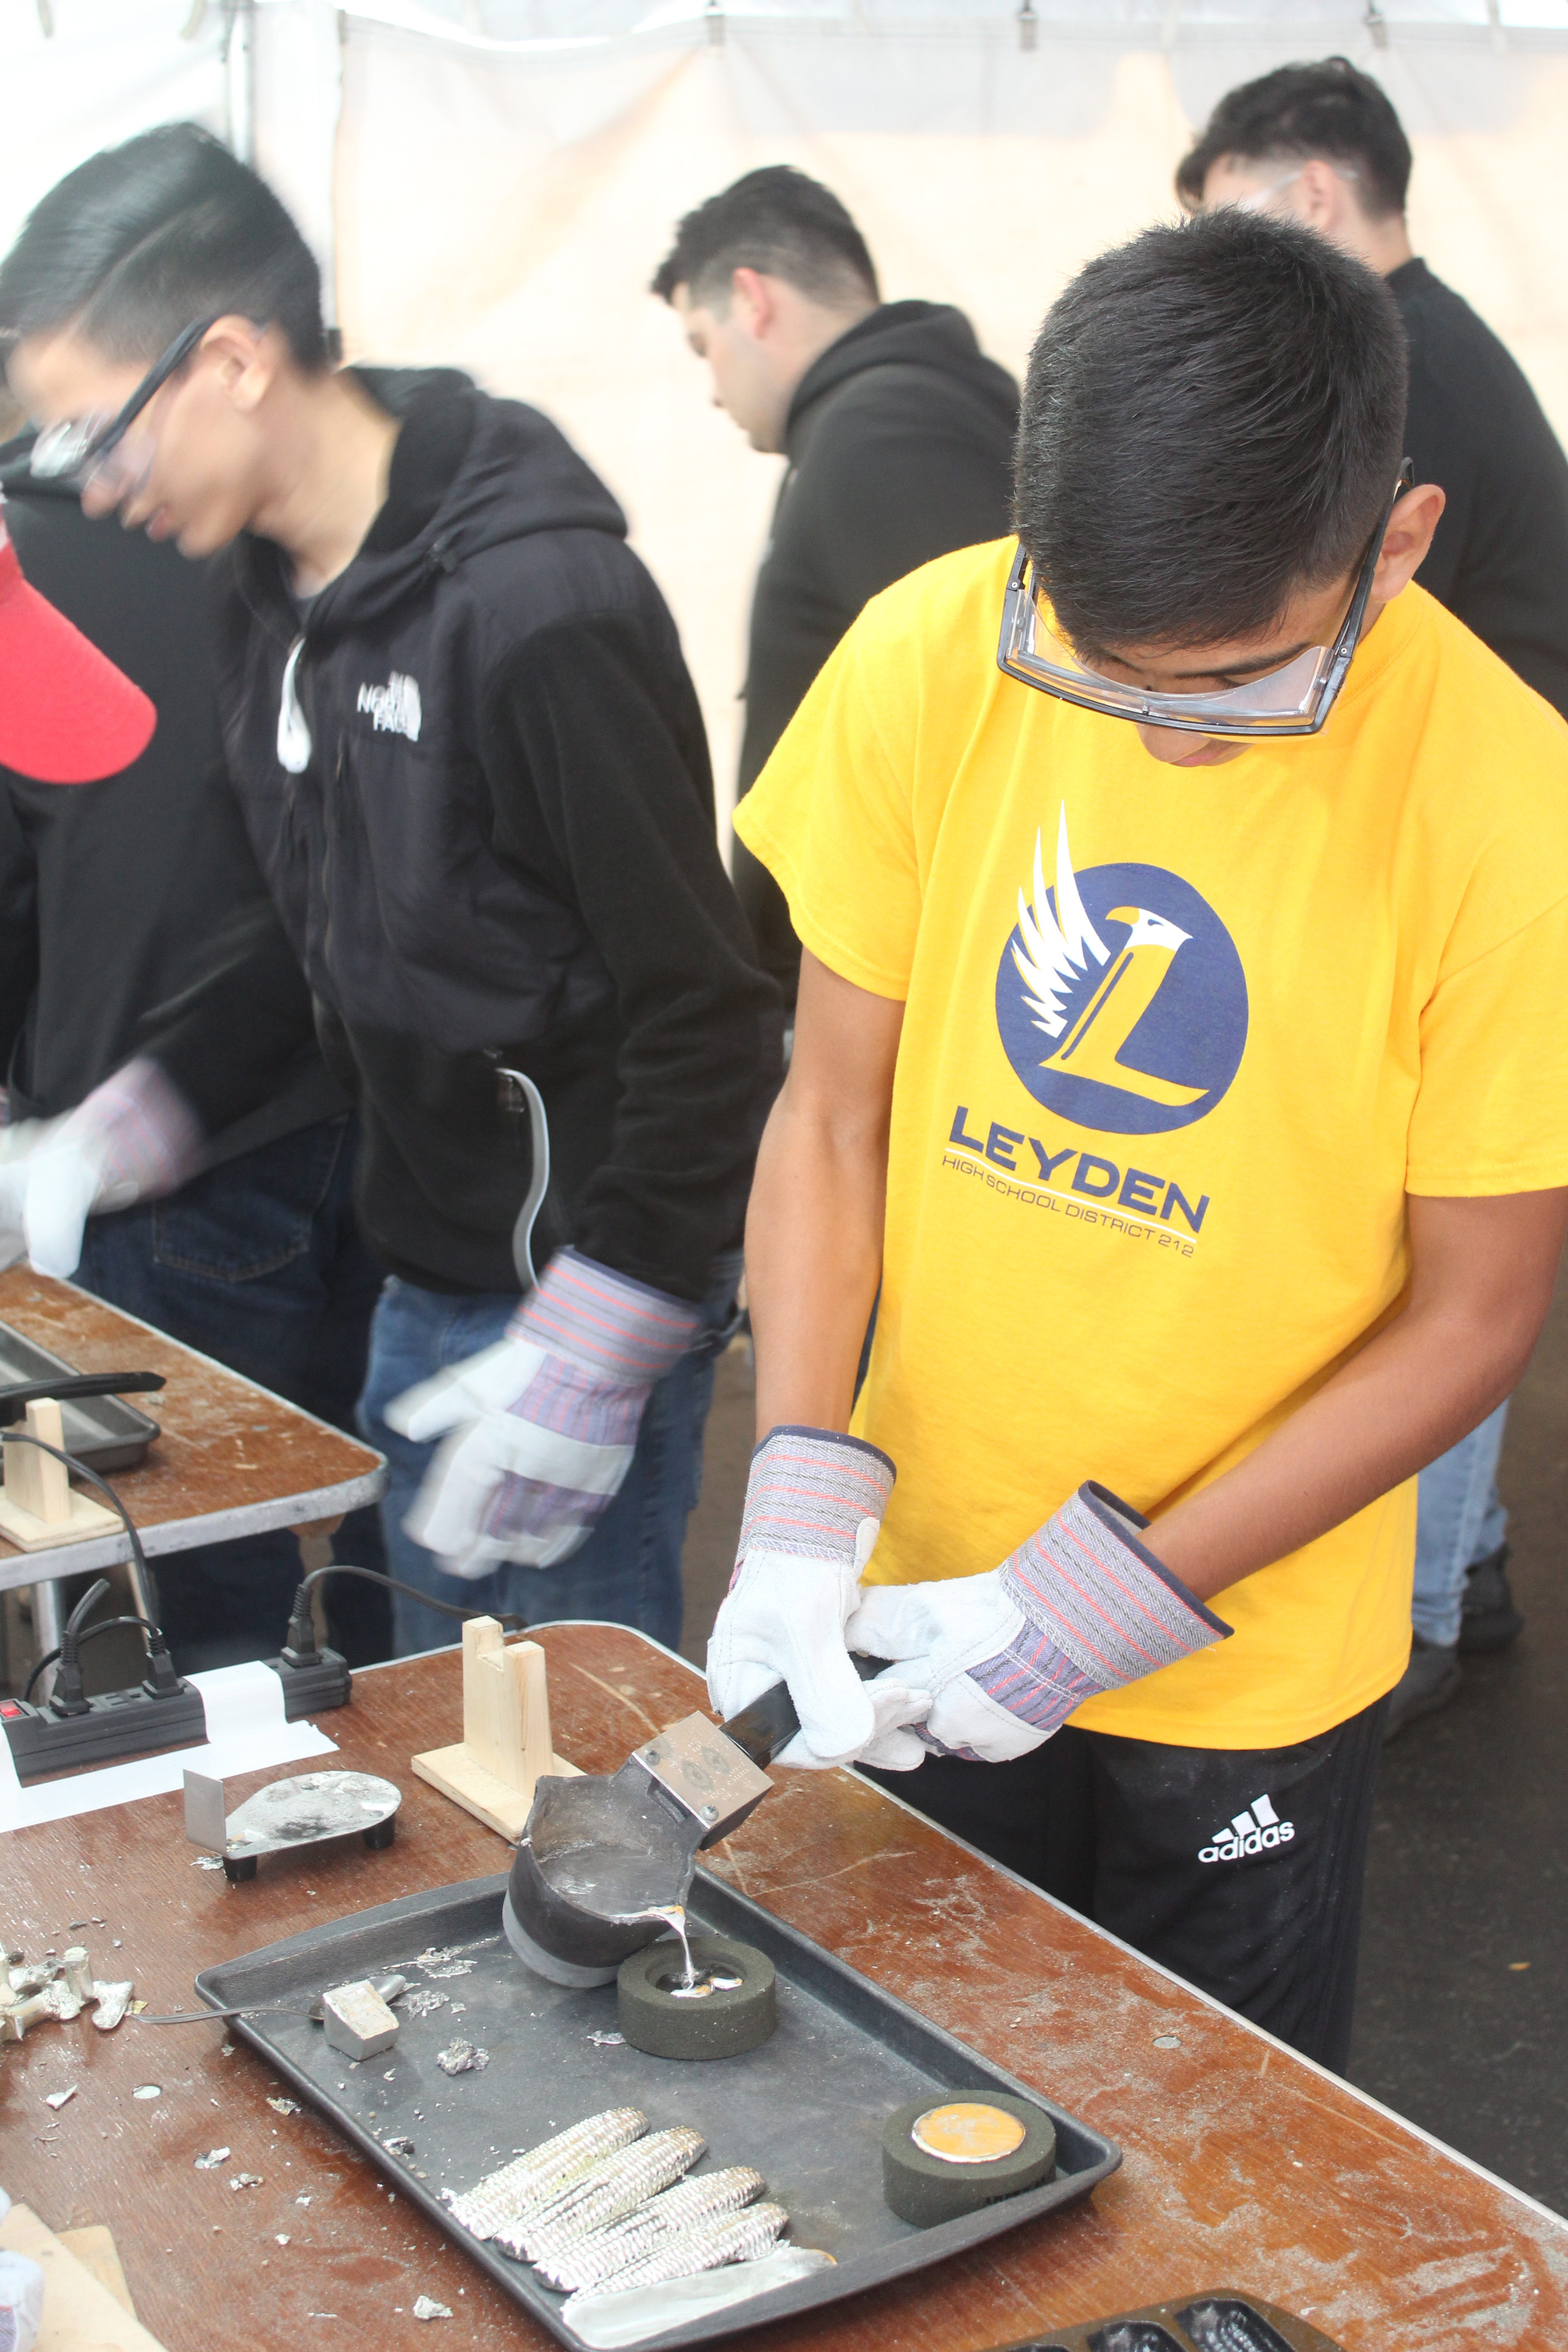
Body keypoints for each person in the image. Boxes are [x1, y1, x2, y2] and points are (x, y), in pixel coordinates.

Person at [704, 210, 1568, 2072]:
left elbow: (1476, 1313)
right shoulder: (939, 649)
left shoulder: (1511, 806)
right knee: (915, 2105)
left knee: (1201, 2152)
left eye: (1242, 683)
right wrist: (793, 1484)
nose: (1169, 740)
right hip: (904, 1585)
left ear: (1397, 545)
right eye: (1111, 679)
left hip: (1243, 1649)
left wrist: (1109, 1606)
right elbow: (832, 1109)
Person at [0, 125, 779, 1659]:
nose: (90, 496)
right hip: (415, 1270)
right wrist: (137, 1111)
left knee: (572, 1749)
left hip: (576, 1290)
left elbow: (708, 1009)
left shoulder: (539, 606)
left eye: (99, 438)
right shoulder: (264, 591)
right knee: (420, 1718)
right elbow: (306, 932)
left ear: (227, 359)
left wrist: (603, 1329)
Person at [1176, 56, 1568, 1735]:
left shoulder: (1399, 376)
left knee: (1435, 1260)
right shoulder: (1442, 349)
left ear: (1314, 194)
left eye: (1224, 232)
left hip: (1477, 858)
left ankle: (1406, 1612)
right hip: (1476, 833)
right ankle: (1461, 1572)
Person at [0, 429, 391, 1671]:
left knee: (214, 1561)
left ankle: (288, 1829)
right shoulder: (271, 516)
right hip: (367, 1100)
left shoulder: (36, 561)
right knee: (393, 1529)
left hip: (156, 1134)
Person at [653, 167, 1018, 1008]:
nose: (712, 388)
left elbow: (985, 725)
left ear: (753, 299)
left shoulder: (880, 431)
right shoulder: (878, 417)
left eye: (702, 344)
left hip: (879, 998)